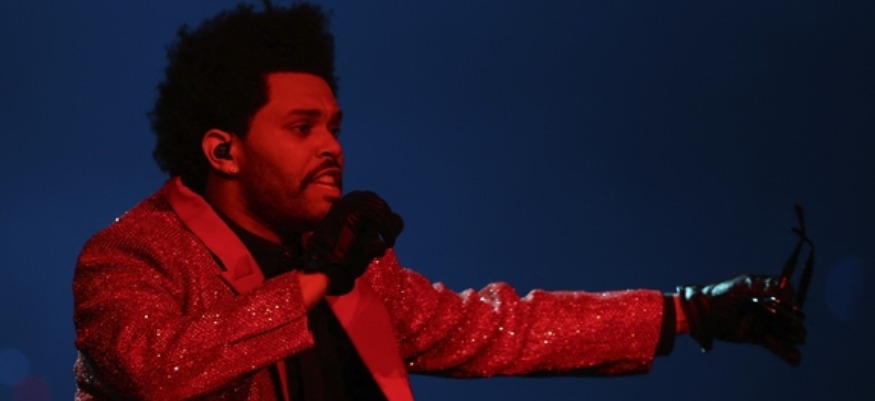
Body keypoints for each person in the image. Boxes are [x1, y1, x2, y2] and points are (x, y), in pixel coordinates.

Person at [72, 2, 808, 400]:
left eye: (334, 126)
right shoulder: (131, 255)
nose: (331, 148)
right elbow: (156, 373)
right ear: (223, 150)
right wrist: (312, 284)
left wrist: (688, 310)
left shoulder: (344, 260)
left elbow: (497, 329)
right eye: (302, 127)